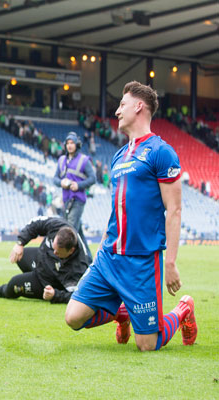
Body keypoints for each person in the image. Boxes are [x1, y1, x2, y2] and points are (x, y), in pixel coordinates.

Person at [64, 81, 197, 351]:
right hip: (109, 257)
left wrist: (170, 262)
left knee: (147, 345)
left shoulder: (162, 152)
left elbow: (175, 210)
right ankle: (122, 314)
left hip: (142, 262)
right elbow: (117, 209)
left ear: (139, 107)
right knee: (73, 318)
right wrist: (102, 246)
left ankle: (182, 310)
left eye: (122, 105)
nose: (117, 111)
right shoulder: (119, 156)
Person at [0, 216, 89, 303]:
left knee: (14, 283)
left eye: (58, 252)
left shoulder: (79, 267)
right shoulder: (58, 225)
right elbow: (36, 224)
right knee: (20, 256)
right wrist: (20, 243)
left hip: (47, 282)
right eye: (53, 247)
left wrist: (55, 295)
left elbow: (78, 296)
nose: (54, 252)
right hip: (40, 259)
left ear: (71, 251)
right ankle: (30, 279)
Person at [53, 131, 95, 262]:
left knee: (69, 230)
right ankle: (88, 260)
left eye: (72, 143)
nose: (70, 146)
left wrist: (79, 185)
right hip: (66, 200)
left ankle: (70, 261)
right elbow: (54, 178)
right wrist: (61, 182)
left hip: (78, 200)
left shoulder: (84, 160)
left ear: (77, 145)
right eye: (68, 143)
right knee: (78, 233)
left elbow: (93, 178)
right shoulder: (61, 160)